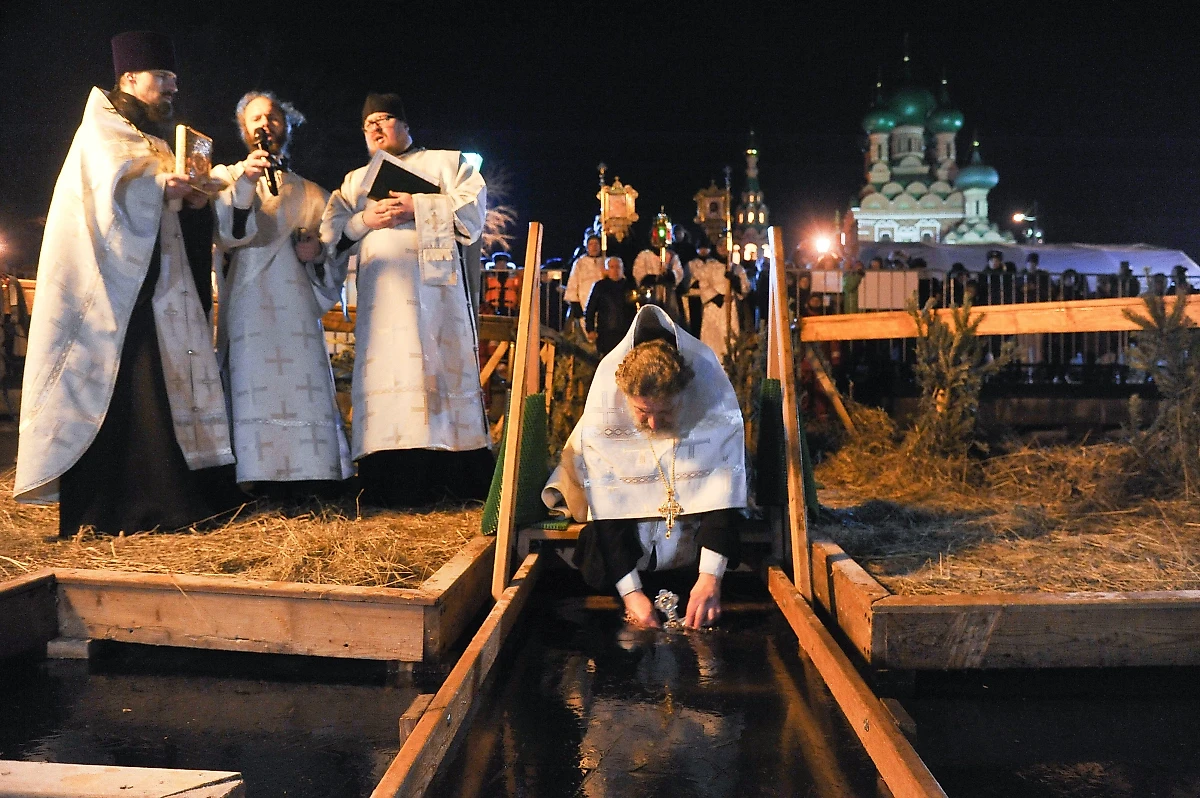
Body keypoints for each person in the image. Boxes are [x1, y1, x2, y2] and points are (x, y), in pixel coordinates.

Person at [15, 31, 237, 535]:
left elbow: (162, 206)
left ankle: (175, 500)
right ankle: (126, 509)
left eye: (175, 81)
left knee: (161, 389)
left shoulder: (154, 139)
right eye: (162, 79)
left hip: (158, 288)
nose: (171, 90)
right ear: (130, 77)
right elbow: (111, 197)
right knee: (129, 390)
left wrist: (193, 199)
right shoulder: (100, 132)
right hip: (113, 292)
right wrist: (163, 185)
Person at [320, 92, 492, 506]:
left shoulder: (448, 163)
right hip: (381, 305)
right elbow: (330, 232)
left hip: (436, 301)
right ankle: (389, 481)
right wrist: (364, 220)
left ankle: (450, 478)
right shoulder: (355, 181)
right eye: (368, 124)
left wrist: (418, 205)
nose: (376, 129)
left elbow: (473, 210)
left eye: (384, 119)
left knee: (435, 370)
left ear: (405, 124)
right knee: (389, 378)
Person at [543, 305, 746, 629]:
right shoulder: (606, 411)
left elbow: (722, 492)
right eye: (641, 412)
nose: (652, 423)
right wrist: (631, 594)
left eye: (664, 413)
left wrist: (711, 578)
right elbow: (608, 508)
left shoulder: (710, 399)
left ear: (685, 396)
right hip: (624, 544)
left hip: (690, 544)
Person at [211, 91, 351, 494]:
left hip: (295, 309)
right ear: (243, 130)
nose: (264, 123)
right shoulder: (226, 177)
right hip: (247, 302)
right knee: (250, 381)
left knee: (300, 384)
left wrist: (317, 253)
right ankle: (253, 477)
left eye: (272, 116)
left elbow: (331, 258)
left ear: (285, 126)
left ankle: (313, 474)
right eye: (255, 118)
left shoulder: (313, 194)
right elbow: (228, 236)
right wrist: (247, 183)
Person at [690, 239, 748, 363]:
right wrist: (718, 297)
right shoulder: (709, 267)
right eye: (720, 245)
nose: (723, 248)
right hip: (713, 308)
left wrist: (734, 280)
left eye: (726, 246)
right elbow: (703, 284)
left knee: (730, 338)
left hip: (730, 307)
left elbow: (745, 288)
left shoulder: (737, 268)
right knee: (713, 341)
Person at [584, 256, 636, 356]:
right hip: (606, 333)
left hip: (625, 332)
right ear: (607, 270)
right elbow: (590, 309)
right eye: (612, 267)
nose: (615, 270)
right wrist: (590, 329)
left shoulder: (629, 286)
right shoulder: (600, 286)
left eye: (618, 267)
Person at [632, 240, 685, 322]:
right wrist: (653, 278)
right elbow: (638, 272)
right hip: (651, 293)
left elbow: (678, 273)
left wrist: (669, 274)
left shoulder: (672, 255)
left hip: (667, 293)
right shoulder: (644, 255)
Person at [564, 234, 605, 328]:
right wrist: (575, 303)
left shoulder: (605, 261)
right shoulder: (580, 262)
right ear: (586, 247)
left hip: (602, 301)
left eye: (596, 244)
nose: (594, 246)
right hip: (584, 299)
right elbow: (572, 283)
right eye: (591, 244)